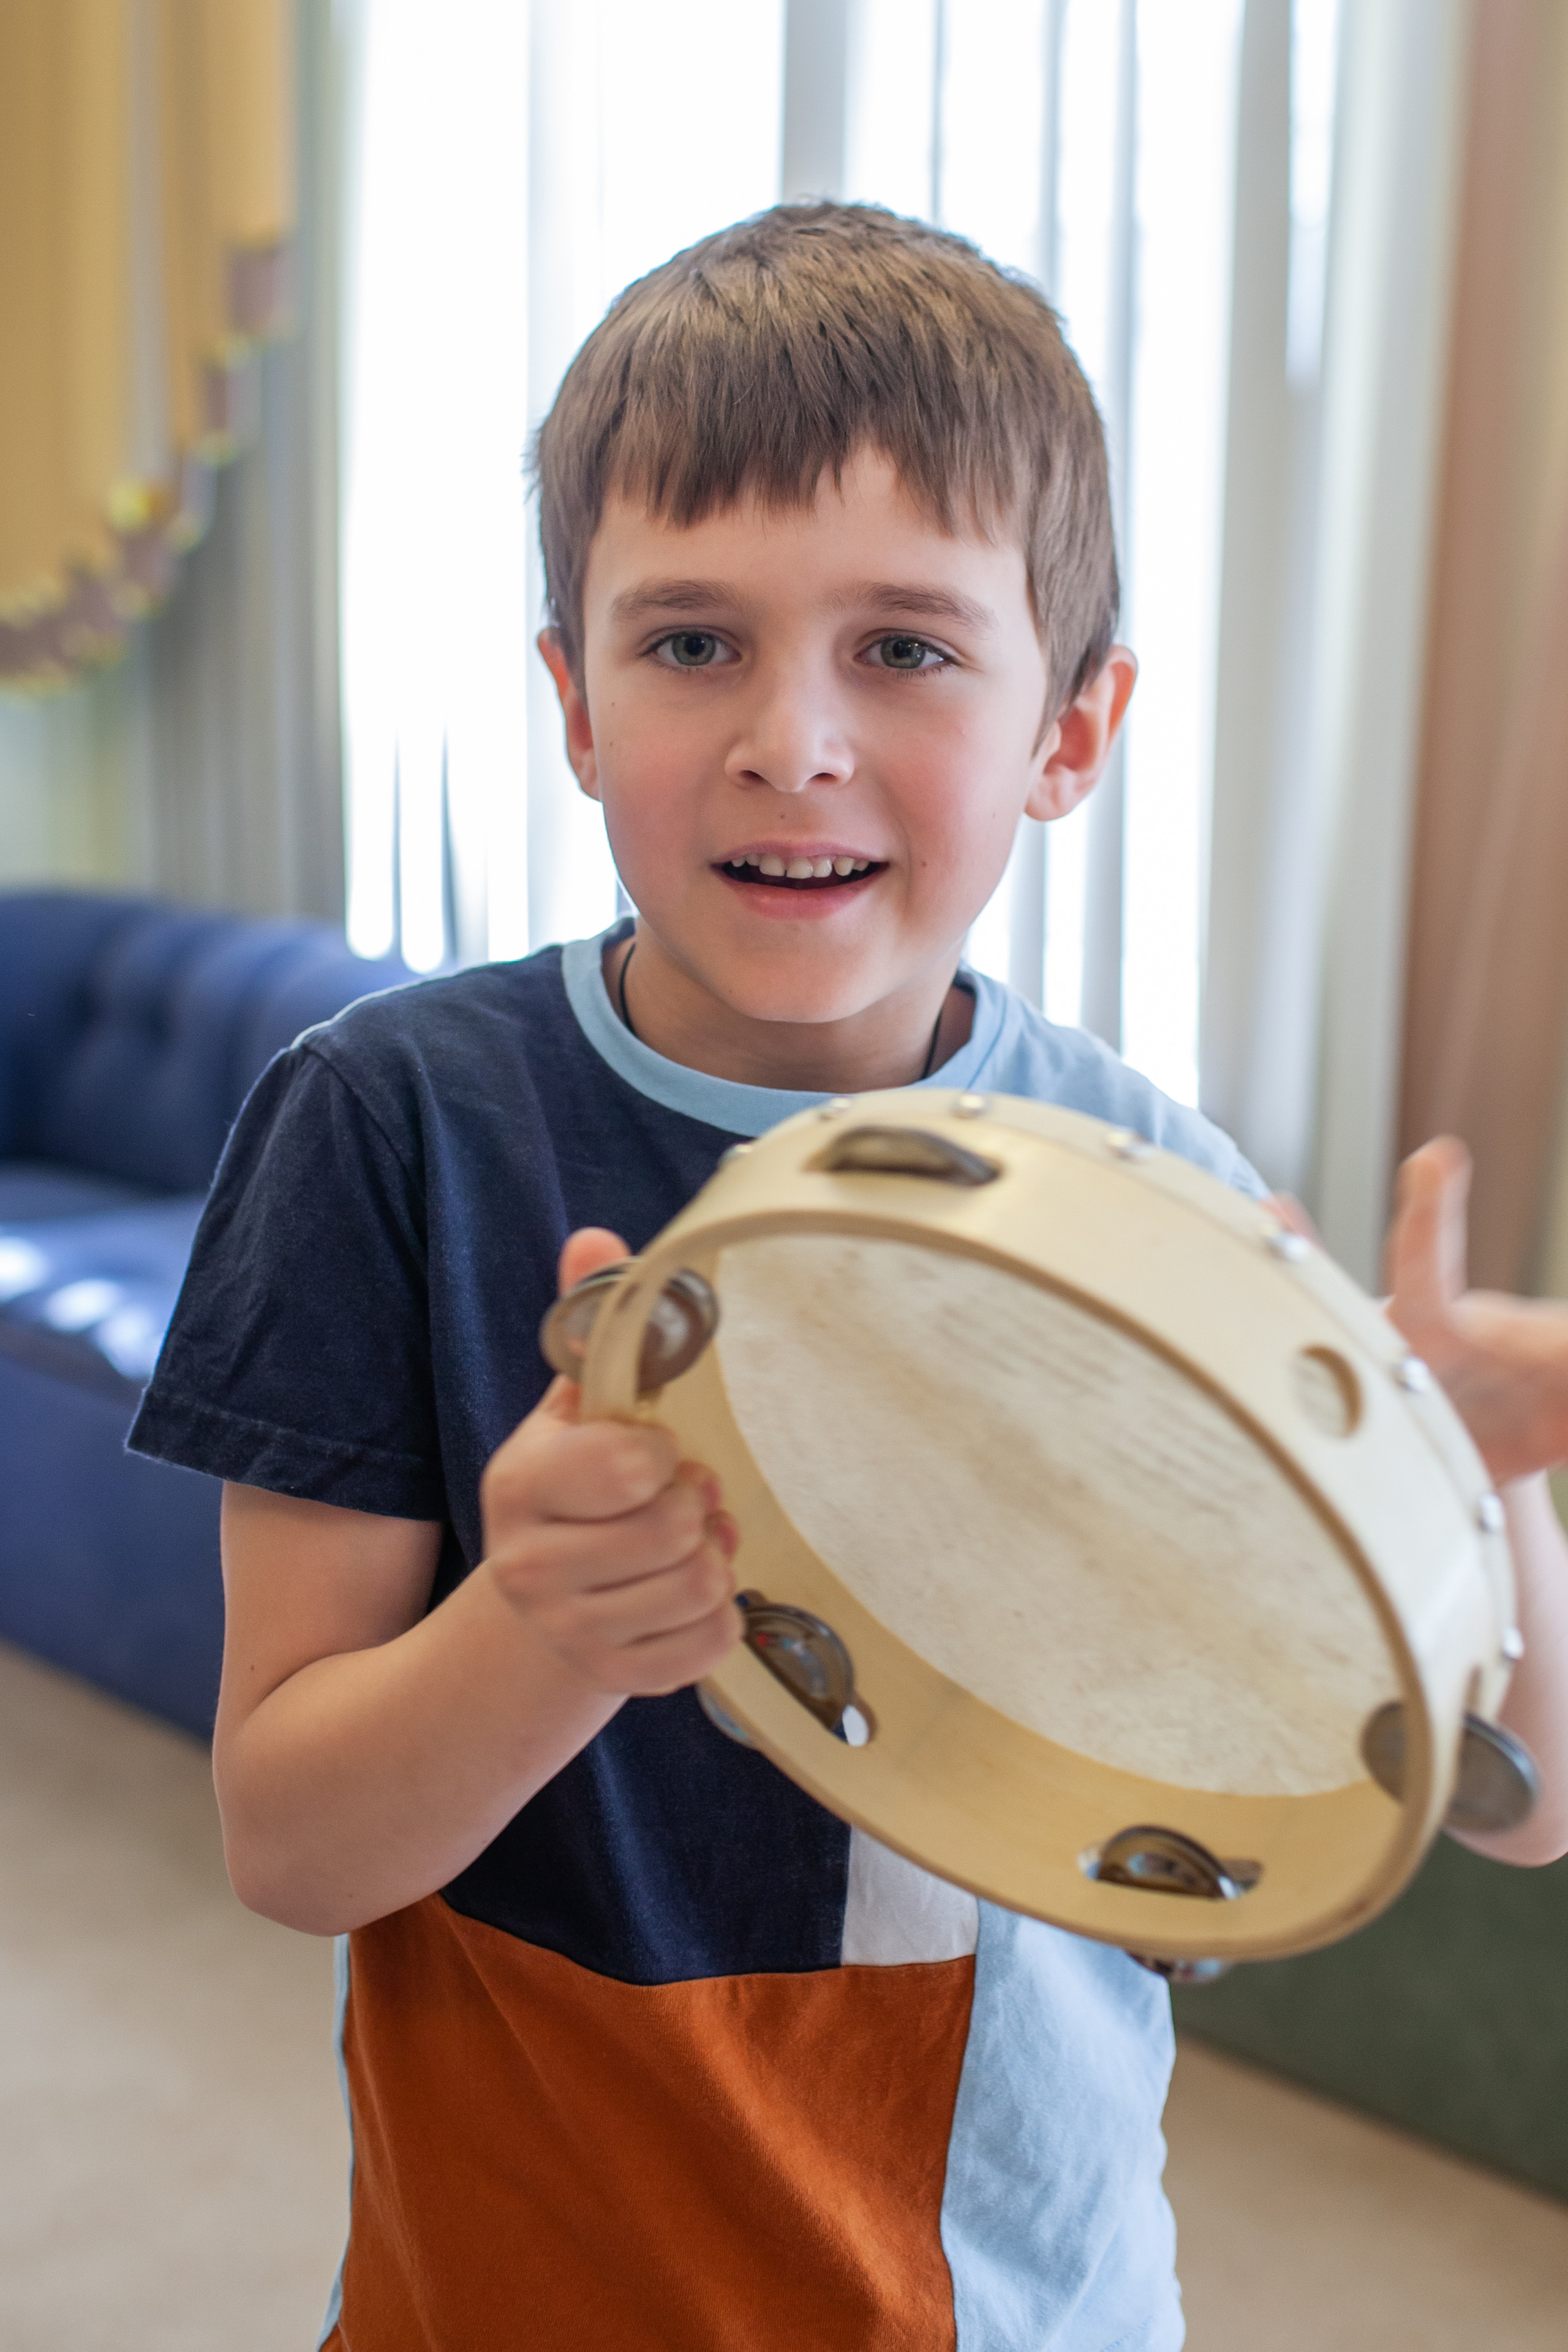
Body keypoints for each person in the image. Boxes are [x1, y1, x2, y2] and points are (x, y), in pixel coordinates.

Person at [129, 203, 1568, 2350]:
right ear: (574, 701)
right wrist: (548, 1630)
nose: (791, 738)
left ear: (1072, 730)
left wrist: (1468, 1488)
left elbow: (1526, 1797)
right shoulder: (391, 1123)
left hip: (1027, 2304)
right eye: (692, 642)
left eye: (905, 650)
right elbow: (292, 1845)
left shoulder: (1149, 1185)